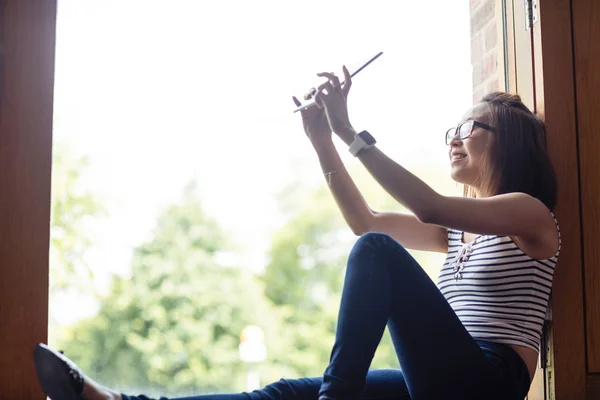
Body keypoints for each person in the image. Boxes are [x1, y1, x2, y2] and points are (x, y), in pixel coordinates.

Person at [34, 66, 560, 400]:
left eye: (470, 128)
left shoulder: (530, 214)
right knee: (286, 393)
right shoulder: (457, 231)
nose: (454, 139)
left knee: (375, 254)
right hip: (439, 379)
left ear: (508, 141)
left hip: (487, 382)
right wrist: (322, 140)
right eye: (452, 130)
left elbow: (421, 207)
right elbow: (366, 222)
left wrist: (350, 131)